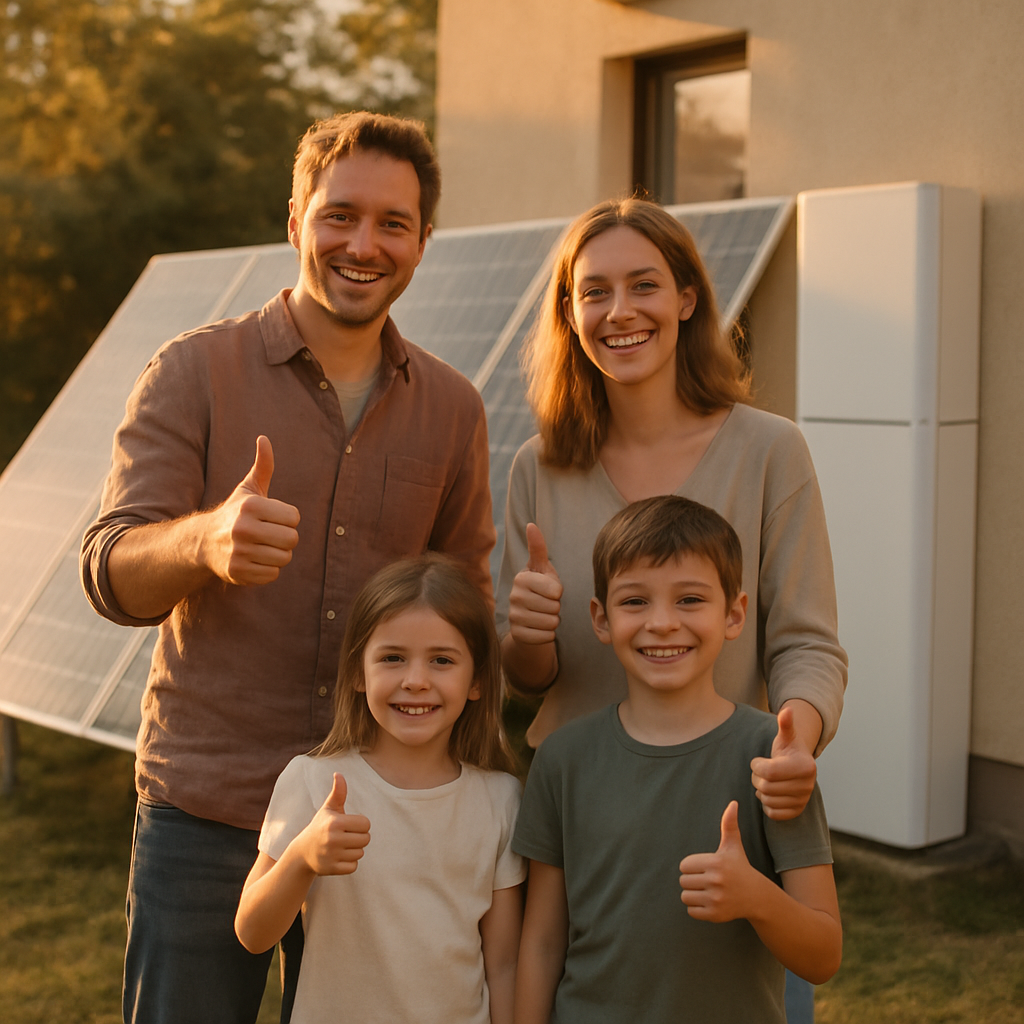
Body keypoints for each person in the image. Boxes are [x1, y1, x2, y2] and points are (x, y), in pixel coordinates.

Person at [80, 112, 495, 1024]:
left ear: (424, 240)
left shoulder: (454, 410)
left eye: (394, 223)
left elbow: (466, 607)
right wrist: (202, 541)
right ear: (297, 217)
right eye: (340, 214)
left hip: (376, 816)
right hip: (209, 804)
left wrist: (521, 631)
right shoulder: (194, 372)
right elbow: (109, 571)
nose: (364, 243)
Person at [498, 196, 846, 1021]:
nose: (620, 312)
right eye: (594, 292)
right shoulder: (537, 467)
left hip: (725, 803)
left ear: (687, 297)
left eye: (644, 285)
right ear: (569, 312)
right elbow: (527, 682)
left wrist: (796, 736)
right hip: (587, 814)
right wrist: (528, 638)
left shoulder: (770, 450)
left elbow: (807, 640)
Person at [512, 496, 842, 1024]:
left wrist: (757, 897)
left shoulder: (773, 760)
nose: (662, 623)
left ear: (734, 614)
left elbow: (824, 955)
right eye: (635, 601)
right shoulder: (562, 759)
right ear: (601, 618)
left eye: (689, 599)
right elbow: (544, 942)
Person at [235, 554, 524, 1024]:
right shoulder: (311, 781)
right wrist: (302, 857)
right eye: (392, 658)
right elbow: (252, 931)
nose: (415, 680)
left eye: (442, 660)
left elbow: (505, 963)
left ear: (476, 681)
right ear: (356, 673)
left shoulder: (500, 800)